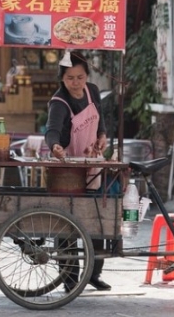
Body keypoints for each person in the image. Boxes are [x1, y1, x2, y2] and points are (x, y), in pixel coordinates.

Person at [45, 51, 111, 292]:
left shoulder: (92, 91)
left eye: (80, 77)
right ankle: (69, 277)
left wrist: (102, 136)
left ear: (87, 76)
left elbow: (100, 119)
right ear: (62, 78)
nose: (76, 83)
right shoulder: (59, 102)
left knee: (96, 218)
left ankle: (94, 273)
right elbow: (51, 130)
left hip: (92, 163)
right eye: (70, 78)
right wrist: (55, 146)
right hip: (67, 170)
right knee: (67, 224)